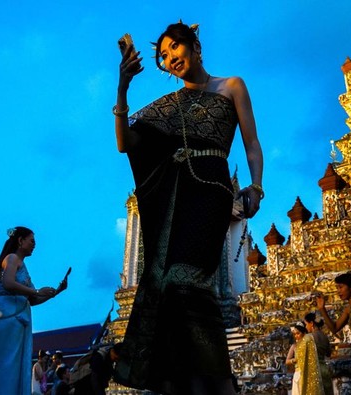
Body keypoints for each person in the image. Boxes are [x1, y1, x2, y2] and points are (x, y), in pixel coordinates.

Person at [113, 21, 264, 394]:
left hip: (210, 192)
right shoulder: (168, 106)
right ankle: (188, 385)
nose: (169, 59)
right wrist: (123, 86)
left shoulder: (232, 86)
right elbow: (126, 143)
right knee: (168, 287)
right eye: (163, 56)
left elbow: (252, 143)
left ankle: (216, 385)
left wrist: (256, 186)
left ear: (194, 45)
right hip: (175, 197)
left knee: (186, 280)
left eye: (174, 49)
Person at [0, 226, 69, 395]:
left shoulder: (23, 267)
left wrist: (55, 292)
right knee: (4, 363)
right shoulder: (12, 258)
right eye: (32, 241)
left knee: (15, 365)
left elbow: (32, 300)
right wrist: (36, 291)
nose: (34, 245)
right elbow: (8, 283)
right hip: (7, 318)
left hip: (19, 319)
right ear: (20, 241)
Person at [299, 313, 333, 395]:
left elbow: (302, 356)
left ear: (311, 323)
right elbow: (328, 353)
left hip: (314, 371)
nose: (306, 327)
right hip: (325, 369)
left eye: (306, 324)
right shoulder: (325, 336)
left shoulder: (308, 338)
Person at [287, 321, 307, 395]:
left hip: (308, 373)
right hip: (298, 374)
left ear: (304, 333)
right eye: (294, 334)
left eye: (298, 333)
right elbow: (287, 361)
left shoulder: (309, 344)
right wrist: (294, 360)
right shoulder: (294, 346)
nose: (296, 336)